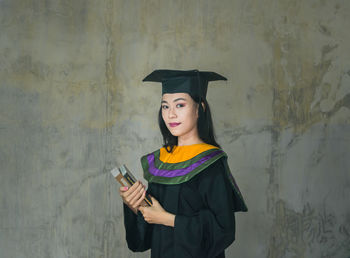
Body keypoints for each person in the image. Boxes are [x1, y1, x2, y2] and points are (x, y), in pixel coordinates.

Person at [119, 70, 248, 258]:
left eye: (180, 105)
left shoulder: (210, 162)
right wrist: (135, 207)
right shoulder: (162, 162)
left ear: (199, 108)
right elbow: (142, 242)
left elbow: (223, 231)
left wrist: (169, 219)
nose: (171, 114)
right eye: (165, 106)